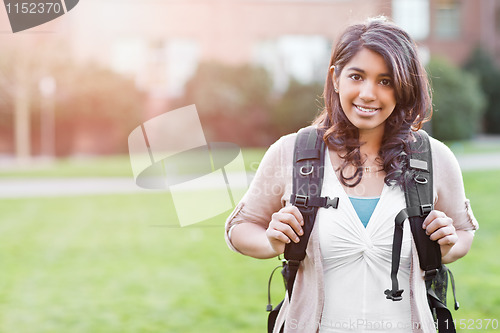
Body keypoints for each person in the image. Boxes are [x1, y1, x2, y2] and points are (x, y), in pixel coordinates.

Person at [224, 17, 478, 333]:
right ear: (335, 78)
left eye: (385, 81)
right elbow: (239, 227)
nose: (368, 93)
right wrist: (270, 242)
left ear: (404, 86)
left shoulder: (433, 158)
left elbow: (464, 232)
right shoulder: (291, 152)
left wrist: (446, 246)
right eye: (357, 76)